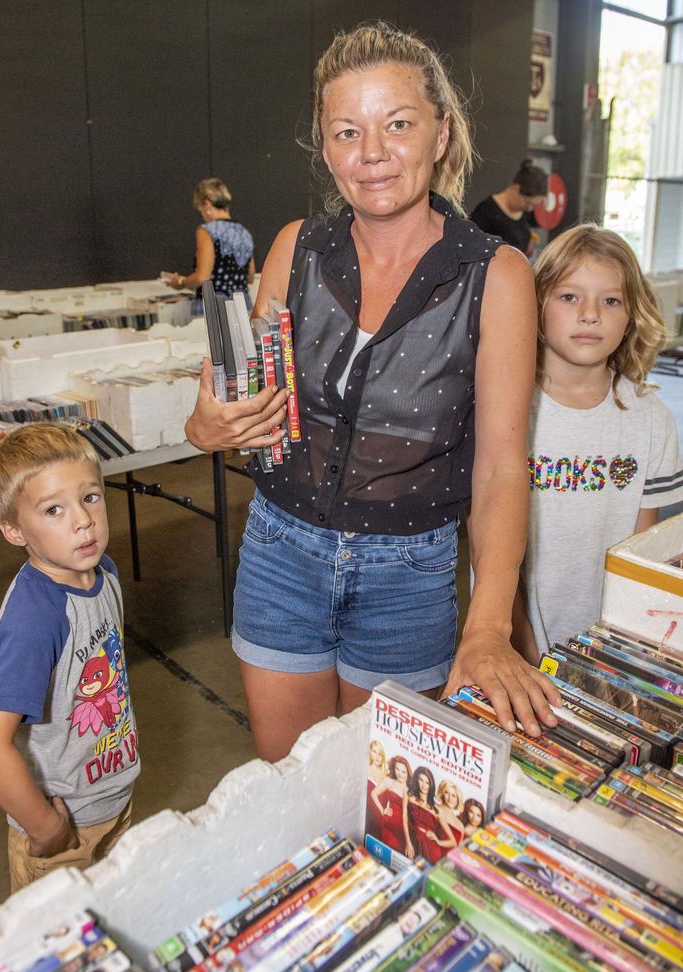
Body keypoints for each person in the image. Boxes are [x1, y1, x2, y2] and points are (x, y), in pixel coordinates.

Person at [184, 21, 560, 763]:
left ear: (441, 133)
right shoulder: (296, 248)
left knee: (381, 797)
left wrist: (486, 626)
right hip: (279, 553)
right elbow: (245, 406)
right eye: (347, 132)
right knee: (288, 786)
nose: (373, 154)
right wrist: (207, 428)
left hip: (409, 574)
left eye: (397, 124)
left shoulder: (497, 275)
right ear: (325, 149)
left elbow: (500, 465)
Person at [0, 423, 140, 891]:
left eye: (90, 497)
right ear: (12, 529)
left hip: (112, 798)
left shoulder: (103, 571)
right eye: (53, 509)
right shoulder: (35, 617)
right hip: (66, 830)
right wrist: (46, 828)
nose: (82, 521)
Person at [512, 225, 683, 664]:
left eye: (610, 301)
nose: (590, 314)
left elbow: (639, 559)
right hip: (517, 645)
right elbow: (491, 550)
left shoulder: (652, 421)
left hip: (612, 651)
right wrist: (523, 647)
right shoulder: (506, 412)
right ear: (536, 305)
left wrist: (619, 652)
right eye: (569, 297)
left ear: (631, 315)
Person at [160, 177, 255, 314]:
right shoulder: (244, 232)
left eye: (200, 208)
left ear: (207, 204)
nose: (202, 214)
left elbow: (202, 277)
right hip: (243, 307)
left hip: (214, 308)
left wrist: (180, 281)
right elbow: (250, 277)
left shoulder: (207, 231)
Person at [470, 159, 548, 255]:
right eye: (528, 203)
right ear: (516, 189)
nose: (530, 209)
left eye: (534, 206)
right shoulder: (486, 211)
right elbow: (471, 246)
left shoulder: (525, 213)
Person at [370, 755, 412, 853]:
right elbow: (373, 793)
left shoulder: (410, 789)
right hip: (389, 825)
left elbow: (407, 814)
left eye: (403, 771)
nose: (400, 774)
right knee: (388, 852)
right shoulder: (389, 782)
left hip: (405, 829)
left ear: (408, 772)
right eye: (397, 769)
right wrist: (382, 810)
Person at [404, 766, 441, 864]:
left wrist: (437, 840)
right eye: (421, 780)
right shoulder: (409, 795)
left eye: (427, 782)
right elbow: (404, 818)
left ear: (431, 785)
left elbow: (453, 841)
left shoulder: (435, 809)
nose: (424, 785)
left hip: (430, 848)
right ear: (416, 780)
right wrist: (408, 842)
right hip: (412, 840)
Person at [433, 779, 465, 852]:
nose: (450, 798)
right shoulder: (435, 808)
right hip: (431, 853)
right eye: (447, 793)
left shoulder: (460, 826)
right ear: (442, 794)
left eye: (453, 795)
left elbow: (458, 851)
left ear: (458, 799)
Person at [365, 739, 388, 837]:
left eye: (380, 754)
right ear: (370, 752)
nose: (377, 757)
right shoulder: (365, 769)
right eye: (374, 752)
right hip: (368, 817)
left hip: (382, 819)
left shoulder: (387, 773)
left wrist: (386, 809)